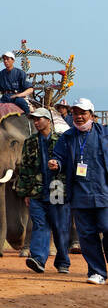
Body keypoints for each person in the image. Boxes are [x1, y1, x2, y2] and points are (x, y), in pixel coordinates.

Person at [49, 98, 108, 284]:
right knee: (87, 235)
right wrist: (56, 164)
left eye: (83, 113)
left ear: (92, 115)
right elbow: (58, 156)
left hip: (104, 194)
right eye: (75, 113)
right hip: (80, 195)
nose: (79, 117)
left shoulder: (104, 134)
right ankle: (97, 272)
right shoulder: (67, 137)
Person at [13, 108, 72, 274]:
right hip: (36, 191)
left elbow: (69, 165)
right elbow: (25, 168)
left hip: (57, 188)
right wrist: (25, 193)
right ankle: (38, 259)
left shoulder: (62, 140)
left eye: (39, 119)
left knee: (60, 226)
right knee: (40, 224)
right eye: (34, 120)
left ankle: (63, 262)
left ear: (48, 120)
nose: (36, 122)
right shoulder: (30, 142)